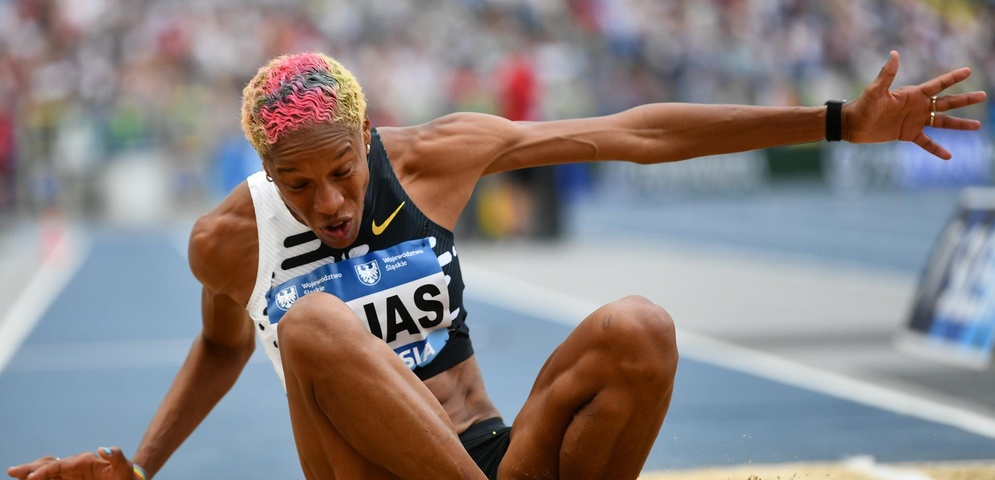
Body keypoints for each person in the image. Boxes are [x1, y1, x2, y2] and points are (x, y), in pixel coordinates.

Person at [8, 50, 987, 480]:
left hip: (487, 454)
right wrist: (140, 463)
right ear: (265, 174)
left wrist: (833, 122)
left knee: (637, 325)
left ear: (370, 142)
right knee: (310, 323)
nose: (330, 206)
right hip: (366, 474)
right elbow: (222, 349)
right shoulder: (226, 240)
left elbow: (633, 133)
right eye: (297, 188)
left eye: (343, 175)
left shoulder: (436, 155)